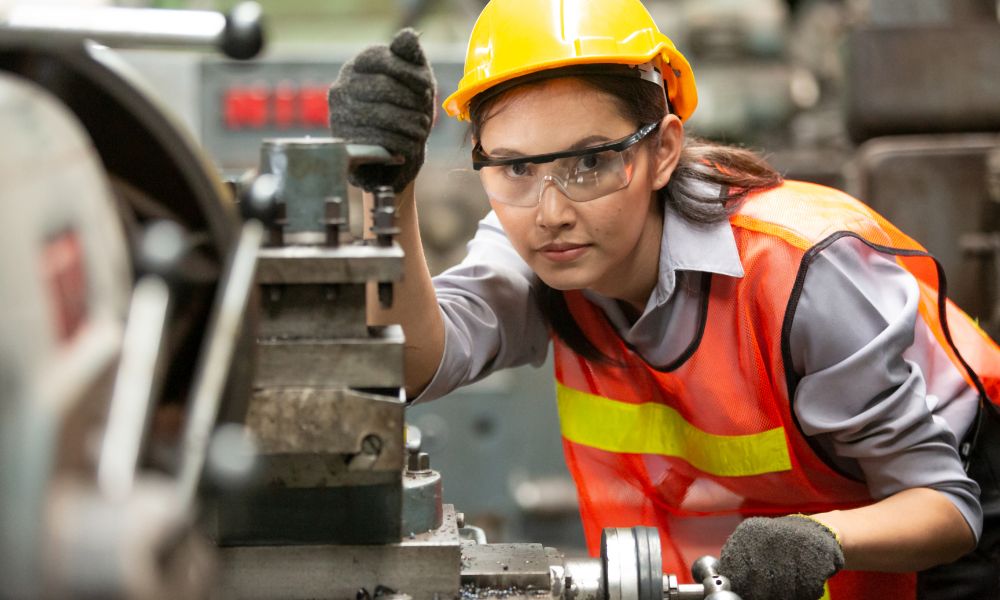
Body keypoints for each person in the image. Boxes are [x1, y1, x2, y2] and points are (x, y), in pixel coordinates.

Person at [327, 1, 1000, 598]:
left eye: (590, 161)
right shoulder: (537, 250)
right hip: (767, 563)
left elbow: (946, 508)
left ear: (664, 151)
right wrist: (387, 190)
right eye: (517, 168)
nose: (550, 210)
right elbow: (414, 364)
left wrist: (816, 536)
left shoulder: (801, 272)